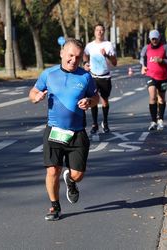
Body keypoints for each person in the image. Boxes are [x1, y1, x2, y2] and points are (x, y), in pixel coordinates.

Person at [29, 38, 99, 221]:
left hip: (77, 132)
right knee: (52, 170)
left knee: (78, 174)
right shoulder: (49, 74)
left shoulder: (85, 76)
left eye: (77, 57)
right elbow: (33, 92)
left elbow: (96, 97)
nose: (73, 60)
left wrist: (89, 102)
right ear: (62, 53)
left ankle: (71, 180)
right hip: (54, 131)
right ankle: (54, 206)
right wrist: (36, 97)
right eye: (70, 56)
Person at [83, 23, 117, 134]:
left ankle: (105, 123)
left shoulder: (108, 45)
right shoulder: (89, 46)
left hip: (105, 77)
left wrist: (106, 55)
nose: (99, 32)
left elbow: (115, 63)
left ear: (104, 32)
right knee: (93, 100)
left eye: (101, 30)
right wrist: (85, 63)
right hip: (93, 77)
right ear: (94, 32)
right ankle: (94, 124)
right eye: (97, 30)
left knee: (105, 101)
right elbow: (85, 55)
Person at [140, 29, 167, 131]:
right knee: (152, 96)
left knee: (161, 98)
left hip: (163, 76)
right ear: (150, 39)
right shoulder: (146, 48)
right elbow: (142, 58)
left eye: (156, 38)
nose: (154, 41)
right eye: (152, 39)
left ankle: (160, 120)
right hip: (151, 75)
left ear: (159, 38)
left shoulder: (165, 47)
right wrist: (143, 66)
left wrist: (162, 60)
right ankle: (153, 121)